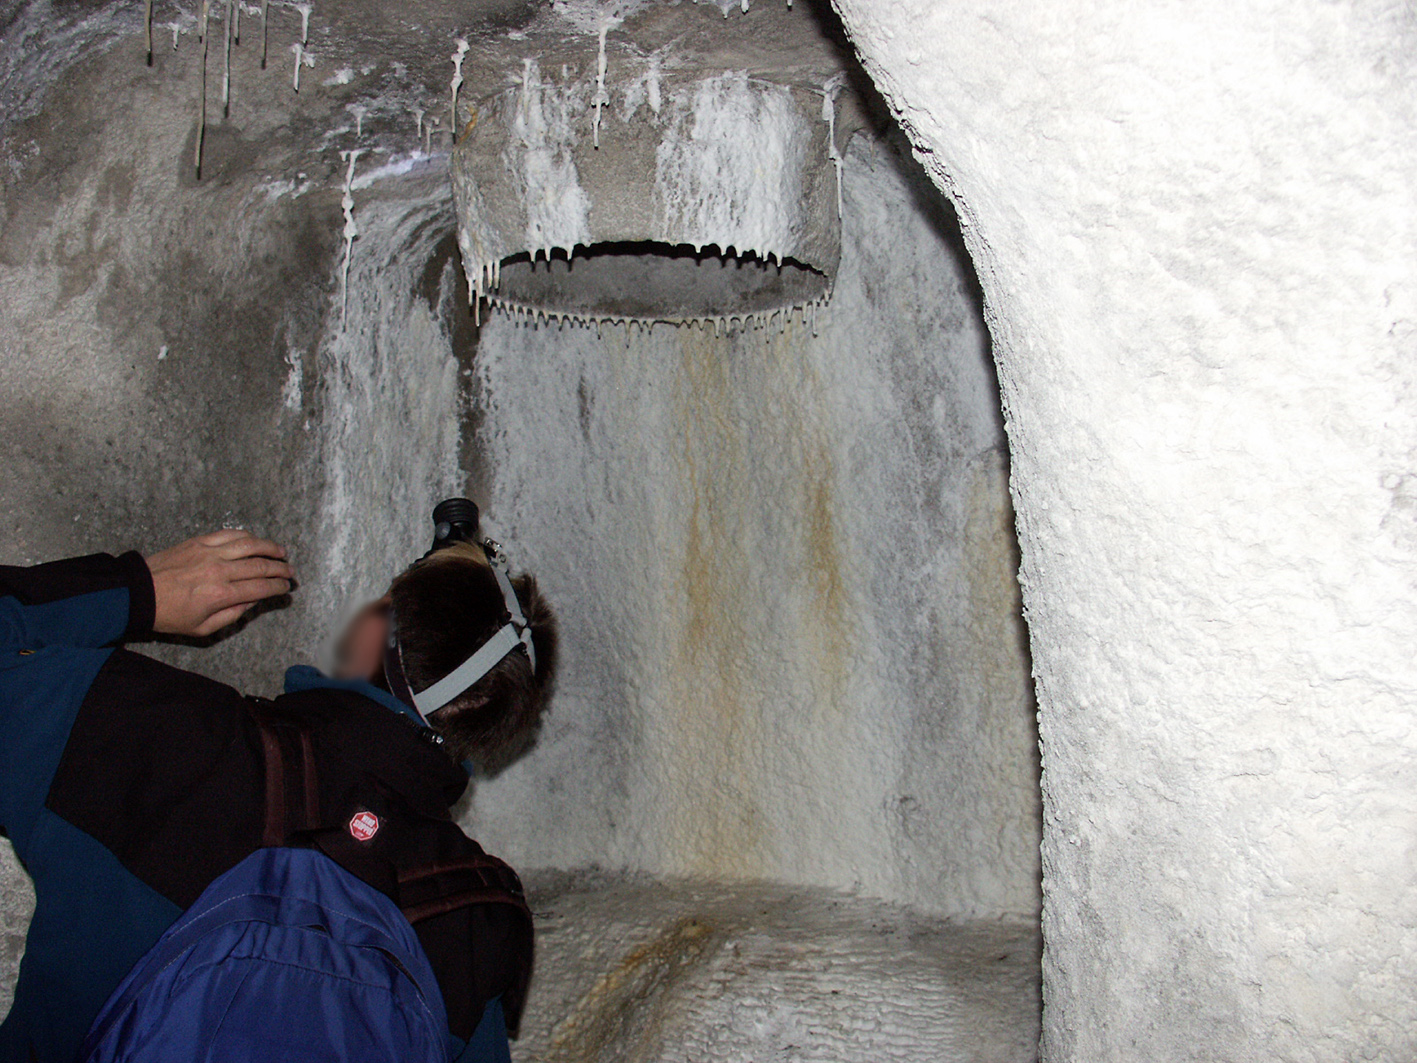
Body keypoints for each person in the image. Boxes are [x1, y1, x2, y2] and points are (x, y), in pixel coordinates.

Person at [0, 516, 557, 1063]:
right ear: (489, 730)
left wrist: (140, 590)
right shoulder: (475, 920)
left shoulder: (161, 735)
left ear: (370, 634)